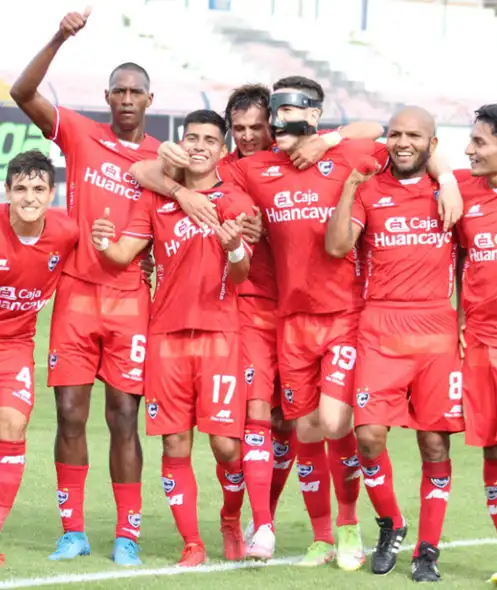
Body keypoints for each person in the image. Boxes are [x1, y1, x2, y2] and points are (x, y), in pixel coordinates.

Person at [130, 82, 385, 559]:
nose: (248, 136)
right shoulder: (235, 170)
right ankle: (264, 525)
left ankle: (298, 519)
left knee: (299, 424)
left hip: (306, 308)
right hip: (247, 307)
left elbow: (380, 131)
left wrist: (327, 140)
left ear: (275, 122)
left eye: (256, 127)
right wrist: (178, 192)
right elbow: (143, 168)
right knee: (257, 418)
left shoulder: (305, 150)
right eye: (240, 129)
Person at [9, 7, 158, 564]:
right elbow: (23, 91)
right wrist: (58, 37)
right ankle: (72, 530)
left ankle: (127, 535)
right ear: (107, 96)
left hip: (131, 303)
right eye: (117, 90)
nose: (124, 98)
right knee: (70, 414)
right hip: (75, 295)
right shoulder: (80, 133)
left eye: (134, 91)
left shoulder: (164, 159)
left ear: (147, 100)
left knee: (124, 417)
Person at [90, 110, 255, 566]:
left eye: (209, 139)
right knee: (174, 443)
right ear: (180, 144)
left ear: (223, 150)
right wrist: (104, 242)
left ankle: (229, 517)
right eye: (191, 138)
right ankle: (192, 544)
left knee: (226, 446)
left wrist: (234, 247)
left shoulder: (235, 200)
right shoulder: (156, 200)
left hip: (220, 335)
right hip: (165, 337)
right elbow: (122, 254)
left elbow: (242, 273)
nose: (199, 146)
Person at [325, 105, 465, 580]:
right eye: (396, 134)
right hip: (380, 326)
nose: (403, 142)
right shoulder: (368, 189)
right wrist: (347, 188)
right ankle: (391, 524)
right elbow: (339, 246)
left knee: (434, 444)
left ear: (432, 143)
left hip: (435, 330)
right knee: (367, 436)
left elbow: (475, 256)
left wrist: (445, 179)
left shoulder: (451, 188)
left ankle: (427, 550)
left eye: (414, 135)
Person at [0, 150, 79, 566]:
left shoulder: (67, 232)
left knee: (13, 422)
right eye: (20, 189)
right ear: (7, 191)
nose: (29, 197)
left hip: (14, 345)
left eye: (38, 189)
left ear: (51, 194)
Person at [454, 103, 497, 588]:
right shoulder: (462, 188)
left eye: (480, 141)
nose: (469, 149)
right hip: (482, 345)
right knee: (493, 450)